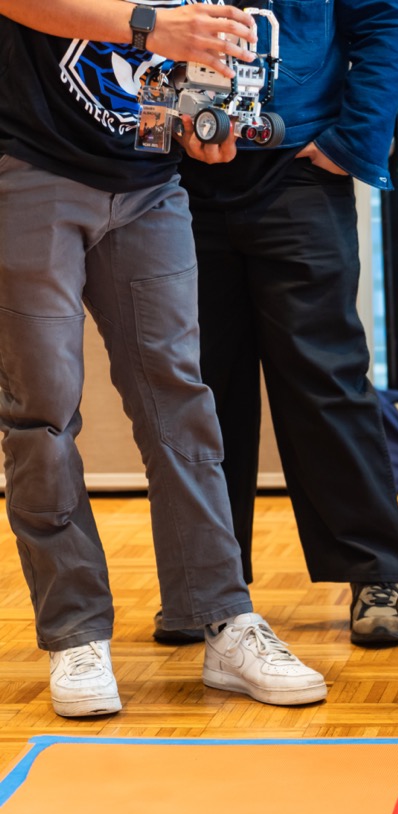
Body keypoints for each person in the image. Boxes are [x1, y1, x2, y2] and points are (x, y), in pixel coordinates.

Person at [0, 0, 327, 716]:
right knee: (43, 412)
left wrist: (197, 109)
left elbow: (183, 50)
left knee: (181, 400)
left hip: (148, 181)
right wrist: (152, 27)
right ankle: (76, 634)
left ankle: (223, 616)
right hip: (30, 164)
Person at [174, 0, 398, 645]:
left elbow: (384, 22)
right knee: (201, 388)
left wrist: (353, 141)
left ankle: (375, 573)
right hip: (176, 171)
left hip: (298, 167)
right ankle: (209, 585)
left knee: (325, 375)